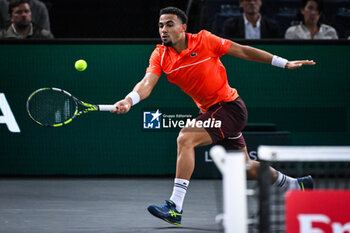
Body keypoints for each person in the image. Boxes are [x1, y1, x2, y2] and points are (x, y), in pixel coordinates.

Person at [112, 7, 315, 225]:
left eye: (169, 24)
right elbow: (146, 83)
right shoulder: (160, 54)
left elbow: (244, 51)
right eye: (161, 25)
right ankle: (296, 185)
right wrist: (128, 100)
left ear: (183, 28)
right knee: (244, 167)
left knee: (185, 138)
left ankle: (175, 207)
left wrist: (283, 62)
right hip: (210, 111)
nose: (164, 30)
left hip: (230, 108)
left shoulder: (205, 40)